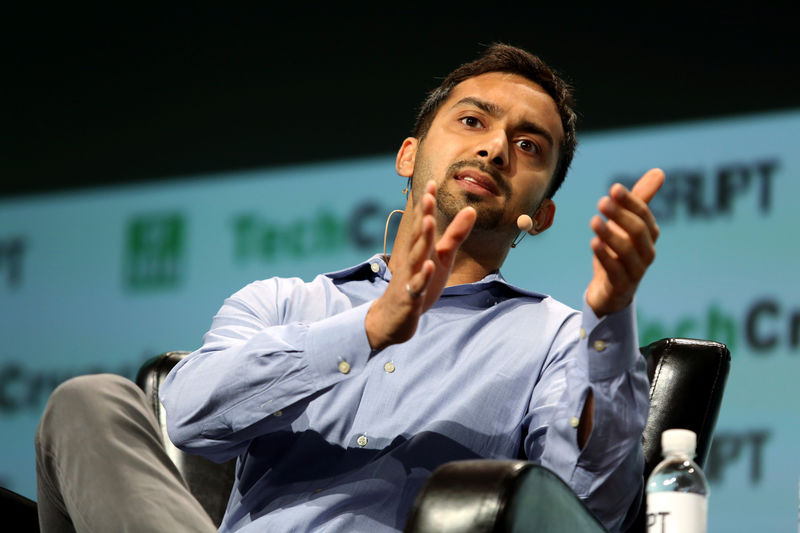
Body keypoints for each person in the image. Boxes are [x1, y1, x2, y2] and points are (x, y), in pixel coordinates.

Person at [35, 43, 663, 533]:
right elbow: (191, 420)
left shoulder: (555, 337)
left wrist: (610, 316)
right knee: (88, 401)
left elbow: (589, 511)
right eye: (473, 121)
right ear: (409, 156)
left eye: (529, 146)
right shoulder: (282, 303)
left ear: (543, 213)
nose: (496, 148)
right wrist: (366, 330)